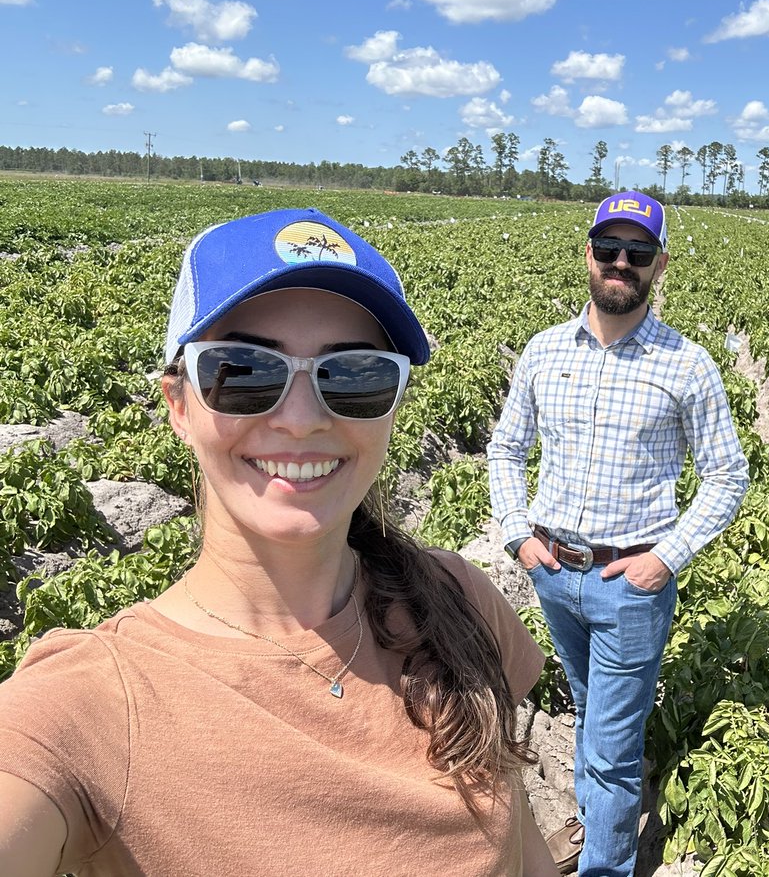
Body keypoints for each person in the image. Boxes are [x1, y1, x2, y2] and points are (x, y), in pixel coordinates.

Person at [0, 208, 557, 876]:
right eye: (243, 371)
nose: (299, 420)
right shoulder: (89, 705)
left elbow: (522, 854)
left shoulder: (456, 601)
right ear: (178, 403)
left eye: (354, 376)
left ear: (393, 408)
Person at [487, 191, 749, 875]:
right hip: (554, 574)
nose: (620, 263)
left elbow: (727, 476)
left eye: (637, 253)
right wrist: (520, 537)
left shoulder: (687, 365)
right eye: (609, 249)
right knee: (589, 708)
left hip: (630, 586)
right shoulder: (544, 353)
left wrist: (665, 559)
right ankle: (598, 818)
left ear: (659, 265)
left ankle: (604, 863)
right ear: (589, 256)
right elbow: (507, 450)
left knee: (606, 741)